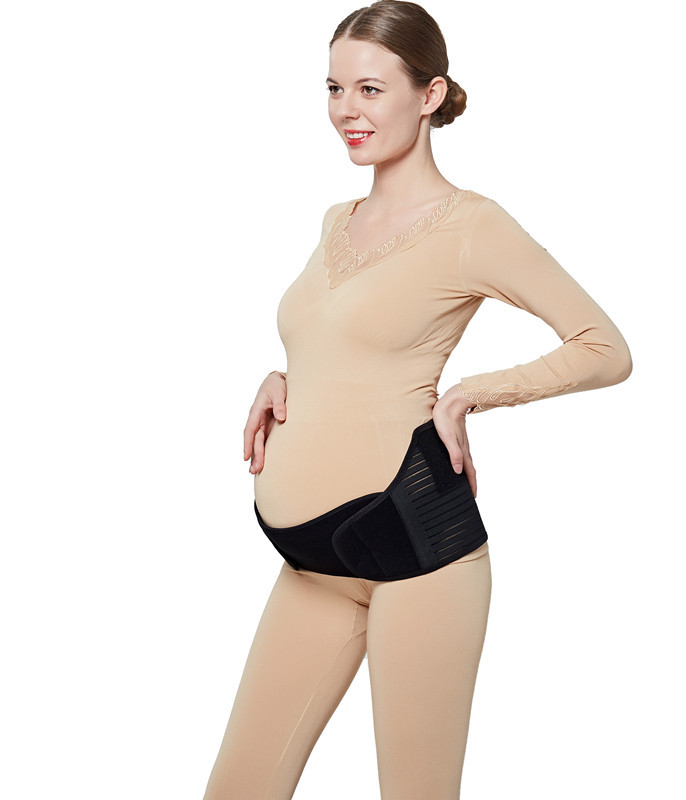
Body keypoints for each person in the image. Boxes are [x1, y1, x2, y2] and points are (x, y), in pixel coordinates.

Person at [202, 1, 632, 798]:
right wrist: (285, 376)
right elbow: (346, 344)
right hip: (312, 560)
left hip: (417, 553)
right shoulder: (336, 220)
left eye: (370, 89)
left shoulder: (472, 226)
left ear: (429, 94)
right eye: (334, 89)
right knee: (236, 788)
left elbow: (605, 347)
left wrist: (474, 395)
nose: (347, 111)